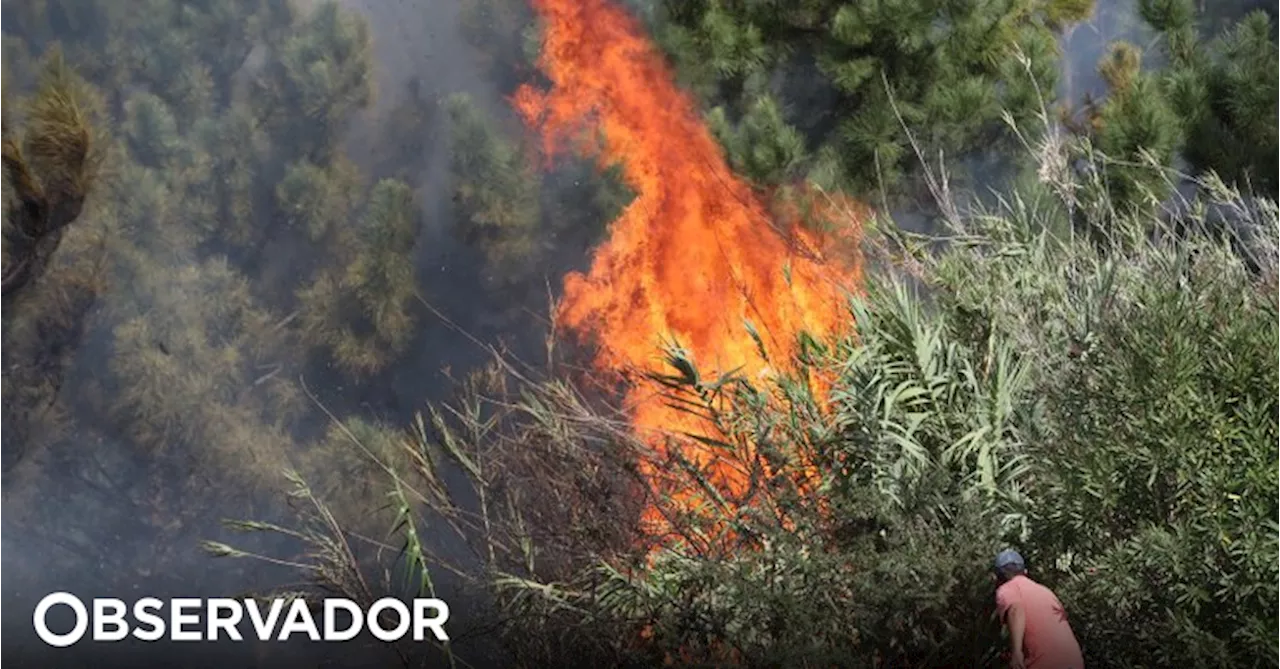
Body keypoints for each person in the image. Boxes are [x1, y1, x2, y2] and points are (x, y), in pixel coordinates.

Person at [993, 549, 1085, 669]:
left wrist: (1016, 653)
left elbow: (1016, 608)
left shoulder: (1007, 589)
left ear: (995, 578)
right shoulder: (1045, 591)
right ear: (1025, 572)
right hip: (1074, 661)